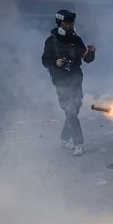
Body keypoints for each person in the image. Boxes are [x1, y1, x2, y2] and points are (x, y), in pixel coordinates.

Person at [41, 9, 96, 156]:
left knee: (74, 109)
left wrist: (91, 52)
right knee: (70, 111)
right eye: (66, 23)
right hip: (60, 81)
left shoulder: (76, 40)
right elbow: (44, 61)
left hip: (76, 80)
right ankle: (79, 143)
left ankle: (64, 137)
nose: (69, 26)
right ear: (59, 22)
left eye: (71, 23)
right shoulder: (51, 41)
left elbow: (87, 59)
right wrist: (55, 62)